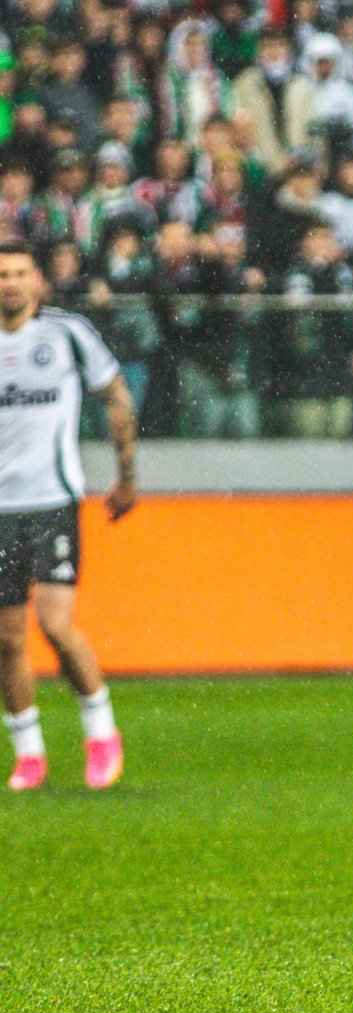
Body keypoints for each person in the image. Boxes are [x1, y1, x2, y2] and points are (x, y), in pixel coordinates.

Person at [0, 240, 138, 791]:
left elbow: (116, 396)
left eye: (18, 272)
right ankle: (28, 751)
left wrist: (127, 475)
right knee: (8, 641)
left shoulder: (66, 333)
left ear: (37, 280)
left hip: (53, 501)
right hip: (0, 510)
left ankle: (101, 734)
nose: (10, 283)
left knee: (55, 626)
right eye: (1, 274)